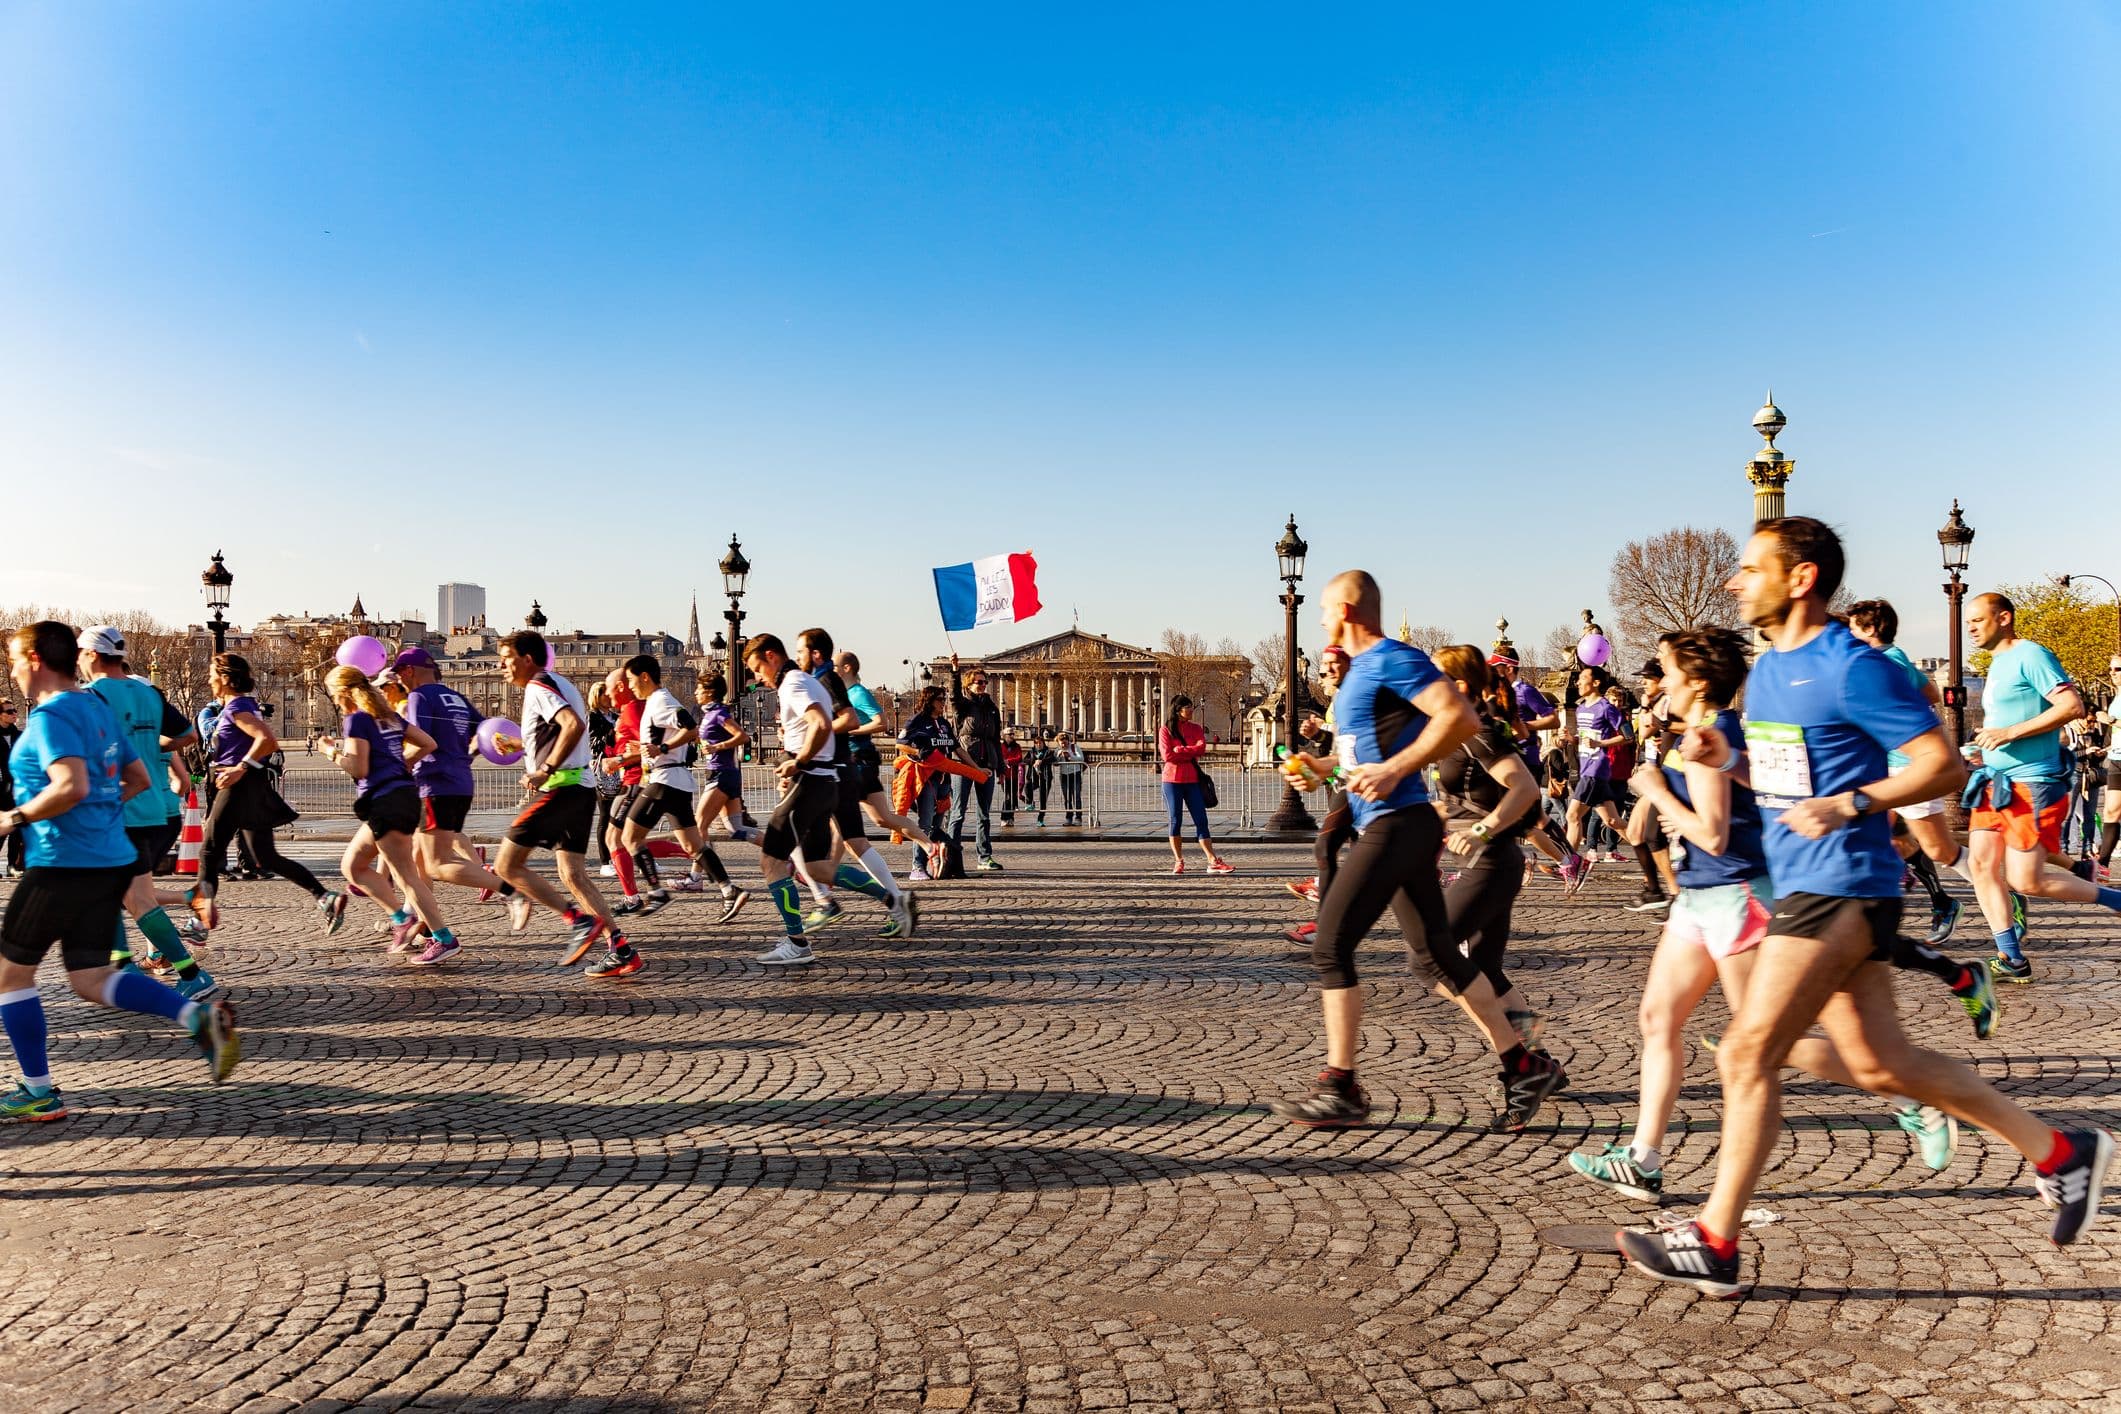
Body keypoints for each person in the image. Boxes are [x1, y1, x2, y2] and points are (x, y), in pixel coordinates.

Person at [1615, 519, 2111, 1298]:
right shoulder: (1772, 671)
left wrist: (1850, 803)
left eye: (1750, 569)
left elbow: (1938, 763)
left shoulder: (1850, 666)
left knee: (1746, 1054)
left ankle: (1715, 1240)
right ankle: (2059, 1152)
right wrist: (1730, 760)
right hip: (1816, 882)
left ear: (1801, 577)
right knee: (1884, 1064)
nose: (1733, 582)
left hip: (1838, 884)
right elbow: (1786, 776)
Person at [1570, 627, 1965, 1202]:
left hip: (1737, 896)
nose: (1657, 683)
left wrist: (1655, 790)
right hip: (1700, 898)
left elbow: (1711, 831)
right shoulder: (1693, 735)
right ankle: (1643, 1157)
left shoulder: (1712, 735)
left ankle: (1911, 1099)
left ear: (1697, 680)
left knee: (1767, 1043)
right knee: (1658, 1019)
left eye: (1667, 670)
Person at [1270, 572, 1563, 1132]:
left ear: (1349, 609)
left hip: (1396, 826)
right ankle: (1522, 1064)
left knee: (1331, 946)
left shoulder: (1389, 659)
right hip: (1397, 825)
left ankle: (1341, 1087)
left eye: (1327, 609)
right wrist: (1320, 769)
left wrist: (1397, 769)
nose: (1322, 619)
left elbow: (1461, 717)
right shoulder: (1359, 679)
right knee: (1435, 958)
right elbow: (1362, 756)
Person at [0, 621, 239, 1121]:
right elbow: (133, 777)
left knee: (9, 976)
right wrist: (101, 815)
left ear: (37, 659)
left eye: (15, 658)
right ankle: (196, 1014)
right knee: (92, 977)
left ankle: (38, 1092)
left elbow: (70, 786)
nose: (13, 668)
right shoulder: (98, 709)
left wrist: (12, 819)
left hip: (62, 861)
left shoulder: (51, 717)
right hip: (108, 857)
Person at [1962, 591, 2121, 983]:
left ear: (2003, 618)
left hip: (2033, 784)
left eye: (1977, 620)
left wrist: (2008, 733)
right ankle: (2011, 957)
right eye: (1967, 622)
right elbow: (2010, 723)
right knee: (1981, 865)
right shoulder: (1997, 663)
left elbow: (2071, 707)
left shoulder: (2032, 655)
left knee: (2025, 880)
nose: (1971, 629)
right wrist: (1987, 742)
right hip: (1994, 782)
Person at [1430, 645, 1564, 1105]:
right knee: (1487, 971)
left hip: (1489, 862)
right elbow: (1465, 797)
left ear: (1460, 687)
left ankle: (1522, 1065)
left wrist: (1484, 829)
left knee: (1430, 958)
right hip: (1494, 861)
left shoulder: (1478, 731)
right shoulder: (1465, 729)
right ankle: (1540, 1058)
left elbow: (1525, 787)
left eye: (1436, 678)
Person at [489, 631, 635, 979]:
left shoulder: (539, 687)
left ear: (527, 658)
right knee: (573, 874)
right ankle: (620, 948)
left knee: (507, 866)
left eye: (506, 658)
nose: (501, 666)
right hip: (581, 786)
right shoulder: (558, 683)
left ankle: (579, 921)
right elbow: (563, 732)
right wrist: (522, 746)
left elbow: (572, 725)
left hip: (560, 787)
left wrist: (544, 769)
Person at [78, 629, 215, 987]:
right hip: (157, 810)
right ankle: (123, 964)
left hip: (120, 809)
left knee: (135, 898)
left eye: (80, 653)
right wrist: (149, 747)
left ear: (92, 655)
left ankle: (189, 973)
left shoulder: (91, 697)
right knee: (112, 892)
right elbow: (188, 736)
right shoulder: (149, 693)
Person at [1844, 600, 1977, 945]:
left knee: (1938, 849)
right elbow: (1931, 692)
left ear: (1871, 629)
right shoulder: (1895, 657)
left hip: (1909, 766)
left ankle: (1996, 892)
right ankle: (1940, 903)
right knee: (1893, 838)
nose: (1849, 634)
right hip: (1891, 765)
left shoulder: (1883, 662)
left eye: (1853, 627)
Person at [320, 664, 463, 964]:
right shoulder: (388, 716)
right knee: (352, 866)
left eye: (334, 695)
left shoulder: (357, 719)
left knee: (406, 876)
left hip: (385, 799)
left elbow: (358, 768)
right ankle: (400, 917)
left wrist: (331, 752)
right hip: (401, 796)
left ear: (344, 693)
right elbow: (428, 743)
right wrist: (404, 764)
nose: (334, 701)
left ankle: (443, 938)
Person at [193, 653, 346, 932]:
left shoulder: (236, 708)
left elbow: (267, 740)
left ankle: (199, 921)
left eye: (213, 673)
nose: (209, 679)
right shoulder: (244, 705)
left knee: (209, 851)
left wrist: (240, 767)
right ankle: (324, 896)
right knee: (265, 856)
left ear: (226, 678)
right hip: (251, 784)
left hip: (237, 785)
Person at [392, 647, 529, 932]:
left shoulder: (418, 697)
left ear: (408, 671)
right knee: (419, 857)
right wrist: (466, 757)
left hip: (433, 783)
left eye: (398, 675)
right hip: (460, 782)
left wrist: (400, 766)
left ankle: (511, 891)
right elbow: (490, 733)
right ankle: (424, 927)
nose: (398, 683)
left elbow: (421, 740)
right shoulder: (455, 696)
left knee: (436, 864)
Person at [798, 630, 916, 939]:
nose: (798, 658)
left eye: (800, 652)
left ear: (816, 655)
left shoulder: (825, 680)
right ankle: (895, 901)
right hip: (843, 770)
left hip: (833, 772)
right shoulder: (827, 680)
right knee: (855, 840)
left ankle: (824, 899)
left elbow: (848, 720)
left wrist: (814, 738)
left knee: (796, 843)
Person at [616, 654, 748, 924]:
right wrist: (644, 751)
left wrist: (662, 749)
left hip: (664, 780)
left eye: (631, 680)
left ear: (644, 677)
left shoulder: (660, 701)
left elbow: (689, 727)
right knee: (693, 844)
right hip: (676, 782)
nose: (629, 686)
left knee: (629, 838)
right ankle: (729, 889)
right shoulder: (656, 702)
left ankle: (656, 892)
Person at [741, 633, 844, 965]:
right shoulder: (806, 681)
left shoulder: (792, 684)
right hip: (824, 780)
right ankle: (890, 897)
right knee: (817, 866)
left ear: (771, 656)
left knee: (771, 861)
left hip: (809, 780)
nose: (758, 678)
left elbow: (821, 723)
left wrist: (798, 761)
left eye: (758, 668)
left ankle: (797, 941)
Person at [835, 652, 935, 852]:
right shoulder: (847, 694)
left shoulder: (858, 693)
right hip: (858, 760)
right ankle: (931, 847)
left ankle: (826, 872)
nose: (831, 671)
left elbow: (882, 722)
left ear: (847, 668)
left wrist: (849, 729)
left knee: (839, 822)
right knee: (882, 819)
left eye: (834, 666)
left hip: (857, 761)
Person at [1159, 695, 1232, 875]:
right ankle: (1178, 860)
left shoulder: (1196, 728)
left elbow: (1201, 748)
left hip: (1192, 780)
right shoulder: (1165, 730)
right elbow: (1167, 756)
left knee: (1202, 820)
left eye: (1192, 707)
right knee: (1175, 820)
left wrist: (1180, 750)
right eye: (1188, 707)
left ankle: (1212, 859)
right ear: (1178, 710)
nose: (1192, 710)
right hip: (1172, 781)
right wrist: (1189, 751)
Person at [945, 655, 1005, 869]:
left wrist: (1001, 766)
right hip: (964, 764)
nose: (982, 685)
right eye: (978, 682)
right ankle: (951, 855)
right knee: (958, 812)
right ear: (969, 684)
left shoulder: (991, 708)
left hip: (987, 764)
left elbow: (996, 738)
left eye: (984, 681)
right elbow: (953, 696)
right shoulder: (963, 705)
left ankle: (984, 857)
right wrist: (954, 671)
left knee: (984, 814)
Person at [693, 673, 755, 844]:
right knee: (736, 829)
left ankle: (699, 871)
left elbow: (742, 737)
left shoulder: (719, 713)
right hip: (723, 773)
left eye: (699, 689)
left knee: (700, 825)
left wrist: (716, 747)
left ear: (710, 692)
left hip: (721, 774)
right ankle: (778, 847)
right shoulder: (708, 715)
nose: (695, 693)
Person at [0, 699, 21, 877]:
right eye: (9, 711)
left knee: (17, 826)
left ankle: (12, 865)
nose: (15, 713)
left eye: (15, 710)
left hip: (18, 788)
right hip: (0, 789)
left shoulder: (19, 735)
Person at [1054, 731, 1085, 825]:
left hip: (1075, 774)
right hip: (1064, 775)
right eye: (1061, 742)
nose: (1064, 743)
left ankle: (1078, 817)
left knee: (1077, 796)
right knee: (1067, 798)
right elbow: (1055, 763)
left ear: (1068, 741)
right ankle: (1069, 817)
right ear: (1058, 742)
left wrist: (1070, 756)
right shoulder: (1057, 750)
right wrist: (1058, 756)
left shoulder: (1074, 747)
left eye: (1065, 741)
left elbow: (1081, 758)